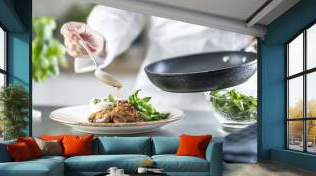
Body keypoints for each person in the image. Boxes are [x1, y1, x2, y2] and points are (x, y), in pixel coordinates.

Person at [60, 5, 255, 121]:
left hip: (242, 92)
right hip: (164, 97)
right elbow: (121, 9)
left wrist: (268, 25)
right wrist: (99, 37)